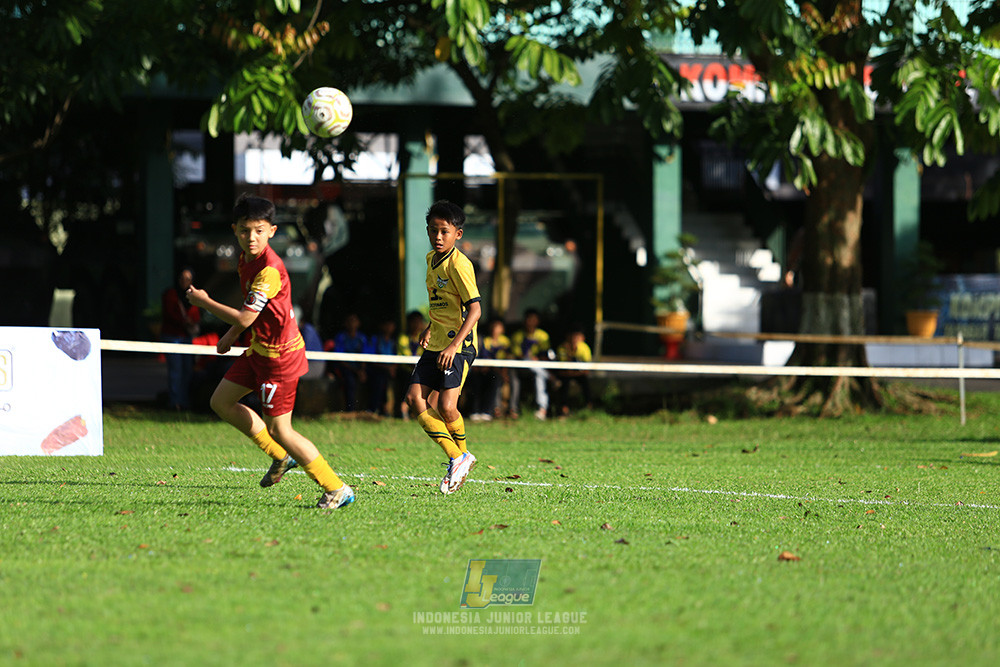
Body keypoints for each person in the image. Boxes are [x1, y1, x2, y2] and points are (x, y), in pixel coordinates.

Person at [186, 194, 354, 510]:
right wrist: (232, 334)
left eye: (259, 231)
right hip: (259, 350)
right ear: (234, 230)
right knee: (221, 401)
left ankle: (336, 487)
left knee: (281, 428)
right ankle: (280, 456)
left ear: (272, 231)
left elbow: (246, 316)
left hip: (280, 358)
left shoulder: (269, 270)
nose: (252, 238)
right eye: (245, 231)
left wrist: (206, 302)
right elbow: (253, 312)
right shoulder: (245, 260)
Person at [404, 200, 482, 495]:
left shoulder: (459, 265)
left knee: (448, 407)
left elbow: (474, 310)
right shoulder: (430, 260)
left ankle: (460, 459)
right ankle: (458, 458)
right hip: (436, 341)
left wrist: (454, 345)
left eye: (444, 232)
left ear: (457, 235)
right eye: (434, 231)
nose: (438, 237)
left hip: (458, 346)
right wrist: (429, 326)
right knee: (415, 399)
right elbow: (443, 303)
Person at [161, 267, 201, 410]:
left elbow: (197, 315)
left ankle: (184, 402)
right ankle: (175, 402)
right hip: (173, 336)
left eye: (188, 279)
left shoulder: (194, 295)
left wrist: (190, 321)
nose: (185, 282)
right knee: (176, 370)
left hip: (186, 337)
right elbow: (169, 314)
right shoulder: (171, 294)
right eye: (183, 278)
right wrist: (185, 321)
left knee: (187, 370)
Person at [508, 308, 552, 420]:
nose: (531, 322)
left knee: (539, 376)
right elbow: (516, 355)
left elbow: (545, 355)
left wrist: (537, 359)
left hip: (537, 368)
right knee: (522, 367)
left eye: (534, 319)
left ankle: (542, 409)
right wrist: (530, 358)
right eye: (529, 319)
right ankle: (513, 409)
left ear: (538, 321)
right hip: (521, 367)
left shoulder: (543, 336)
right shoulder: (518, 336)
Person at [466, 317, 508, 421]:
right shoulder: (480, 339)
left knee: (493, 380)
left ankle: (487, 412)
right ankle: (474, 411)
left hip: (490, 371)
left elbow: (486, 356)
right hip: (474, 370)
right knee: (475, 382)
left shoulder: (482, 339)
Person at [330, 312, 369, 412]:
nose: (352, 324)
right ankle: (350, 411)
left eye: (354, 321)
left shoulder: (362, 338)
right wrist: (357, 371)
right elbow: (340, 358)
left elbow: (365, 356)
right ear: (345, 324)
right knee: (350, 380)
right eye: (350, 321)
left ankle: (371, 410)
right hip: (345, 368)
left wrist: (362, 370)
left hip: (359, 369)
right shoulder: (341, 337)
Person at [553, 324, 594, 416]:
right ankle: (564, 409)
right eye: (572, 336)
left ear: (582, 338)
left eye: (577, 336)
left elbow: (586, 371)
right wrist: (569, 353)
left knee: (585, 383)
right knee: (564, 383)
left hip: (578, 374)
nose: (574, 339)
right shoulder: (562, 348)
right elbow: (562, 370)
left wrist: (573, 373)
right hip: (566, 374)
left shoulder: (584, 349)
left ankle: (589, 406)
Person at [396, 310, 428, 419]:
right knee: (407, 394)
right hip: (406, 371)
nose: (416, 324)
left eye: (419, 321)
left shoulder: (426, 337)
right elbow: (405, 355)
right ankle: (404, 413)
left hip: (420, 371)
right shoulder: (403, 338)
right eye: (414, 321)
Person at [367, 318, 398, 416]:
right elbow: (370, 358)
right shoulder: (375, 339)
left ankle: (389, 410)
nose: (389, 327)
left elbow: (397, 357)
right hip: (376, 370)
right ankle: (374, 409)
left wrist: (393, 368)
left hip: (390, 371)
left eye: (391, 324)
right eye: (387, 324)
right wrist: (387, 368)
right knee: (379, 380)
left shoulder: (393, 342)